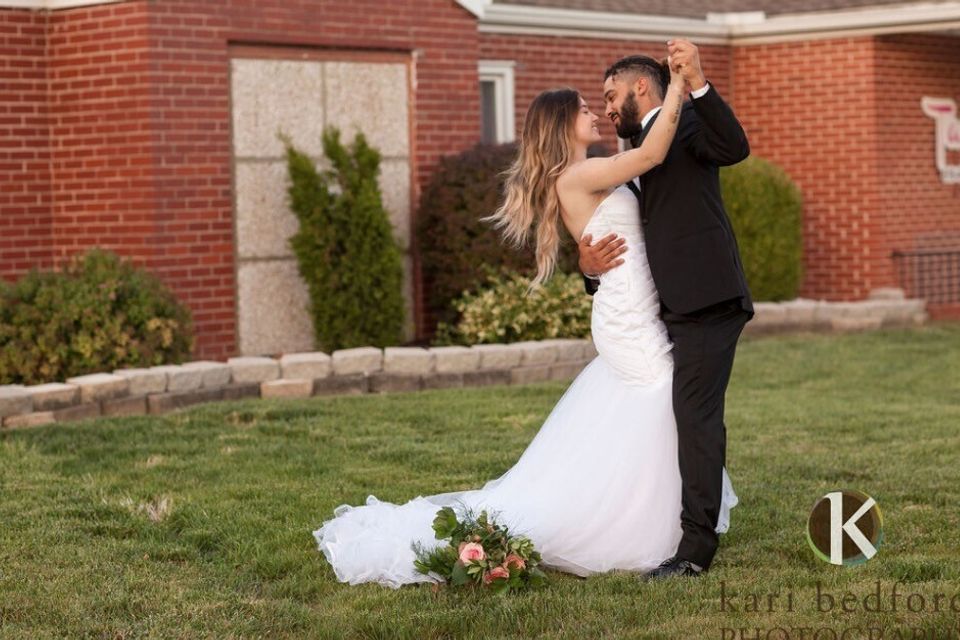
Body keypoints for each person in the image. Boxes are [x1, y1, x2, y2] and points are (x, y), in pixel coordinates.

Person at [311, 47, 738, 589]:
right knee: (661, 399)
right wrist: (680, 82)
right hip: (627, 317)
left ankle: (647, 521)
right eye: (587, 107)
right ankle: (639, 525)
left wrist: (588, 257)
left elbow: (640, 218)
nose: (598, 111)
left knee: (657, 410)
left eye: (603, 99)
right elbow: (653, 158)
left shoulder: (594, 169)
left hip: (640, 308)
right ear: (564, 125)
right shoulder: (578, 176)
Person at [579, 40, 753, 579]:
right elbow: (621, 233)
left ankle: (695, 551)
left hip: (706, 300)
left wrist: (697, 81)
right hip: (659, 308)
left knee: (696, 421)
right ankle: (652, 523)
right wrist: (588, 265)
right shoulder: (631, 148)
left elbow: (735, 146)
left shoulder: (688, 124)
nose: (607, 108)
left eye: (611, 96)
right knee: (673, 417)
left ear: (640, 86)